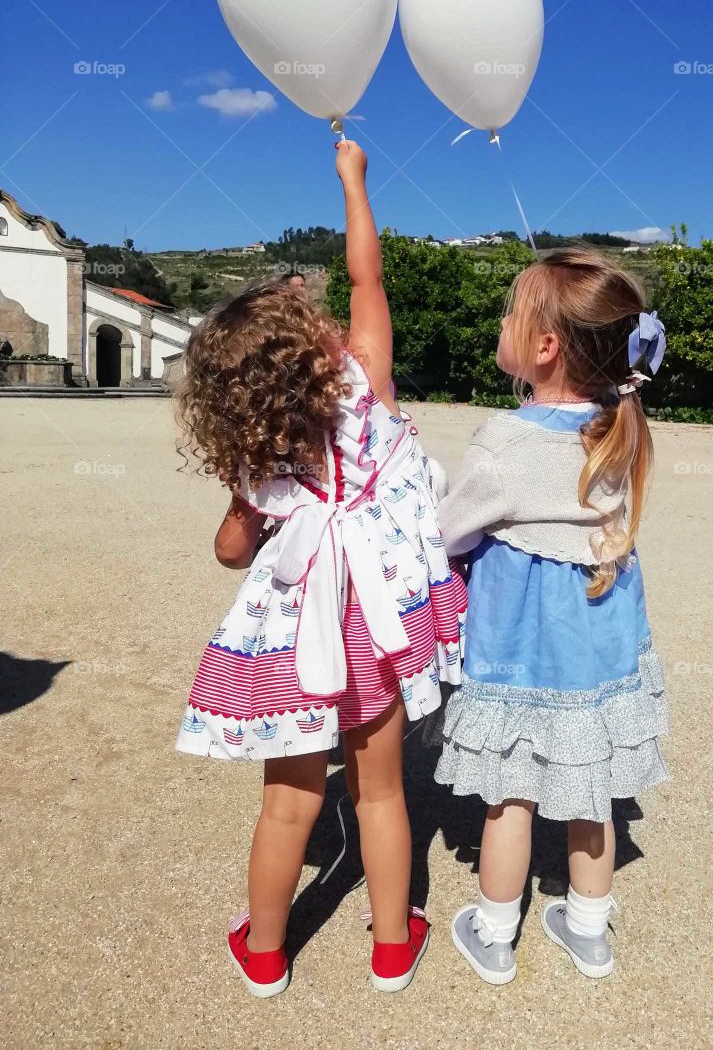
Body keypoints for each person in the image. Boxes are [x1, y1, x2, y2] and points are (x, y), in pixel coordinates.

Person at [175, 140, 466, 996]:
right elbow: (368, 280)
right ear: (318, 351)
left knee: (288, 803)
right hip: (375, 630)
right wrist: (354, 180)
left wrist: (255, 511)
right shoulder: (367, 387)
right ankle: (389, 947)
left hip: (293, 641)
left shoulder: (260, 458)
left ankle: (265, 953)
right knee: (380, 795)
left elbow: (230, 552)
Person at [434, 249, 669, 984]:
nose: (501, 321)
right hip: (599, 638)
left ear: (543, 348)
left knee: (514, 786)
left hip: (521, 643)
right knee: (589, 778)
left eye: (512, 312)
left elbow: (447, 532)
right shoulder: (618, 425)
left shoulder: (505, 441)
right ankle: (589, 930)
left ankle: (496, 932)